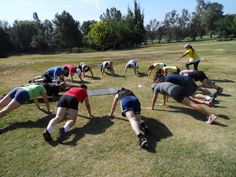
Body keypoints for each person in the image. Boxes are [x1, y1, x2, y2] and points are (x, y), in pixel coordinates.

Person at [148, 82, 218, 124]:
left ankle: (210, 116)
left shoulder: (156, 88)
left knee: (191, 104)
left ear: (153, 88)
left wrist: (152, 107)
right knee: (191, 99)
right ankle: (206, 102)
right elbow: (165, 93)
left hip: (175, 92)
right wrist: (164, 103)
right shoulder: (162, 84)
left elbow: (154, 98)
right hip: (179, 88)